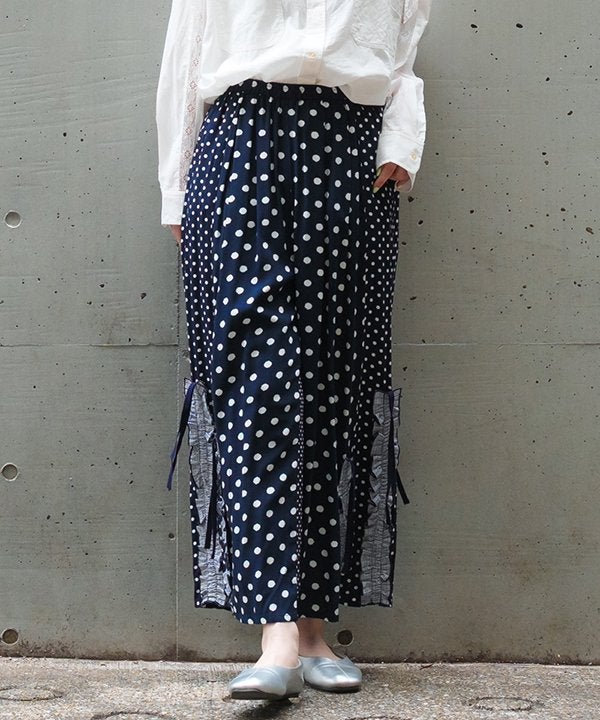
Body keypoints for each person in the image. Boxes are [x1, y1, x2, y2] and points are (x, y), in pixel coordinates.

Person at [157, 0, 431, 701]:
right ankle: (275, 634)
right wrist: (176, 188)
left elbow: (403, 55)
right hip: (242, 144)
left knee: (334, 384)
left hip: (349, 152)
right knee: (258, 381)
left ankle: (311, 632)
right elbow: (187, 57)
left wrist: (401, 141)